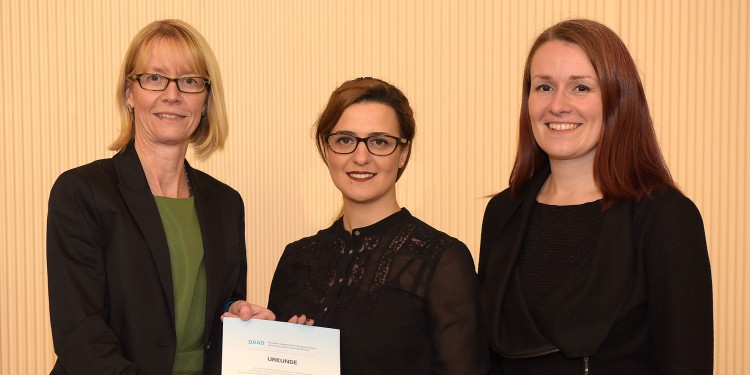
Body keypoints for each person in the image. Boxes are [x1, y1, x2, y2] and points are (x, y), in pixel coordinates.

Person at [478, 19, 713, 374]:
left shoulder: (665, 216)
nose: (557, 105)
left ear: (618, 98)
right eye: (543, 86)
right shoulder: (502, 213)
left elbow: (686, 362)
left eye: (581, 88)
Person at [46, 19, 274, 375]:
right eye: (154, 78)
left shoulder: (227, 203)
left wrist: (242, 314)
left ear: (205, 99)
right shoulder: (82, 192)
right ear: (129, 94)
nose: (172, 94)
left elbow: (220, 307)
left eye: (189, 81)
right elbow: (80, 332)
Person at [267, 77, 489, 375]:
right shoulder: (296, 258)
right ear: (326, 149)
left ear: (403, 153)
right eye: (345, 140)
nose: (361, 157)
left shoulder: (442, 260)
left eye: (380, 142)